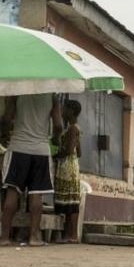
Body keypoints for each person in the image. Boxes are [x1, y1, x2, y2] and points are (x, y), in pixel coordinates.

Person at [0, 94, 63, 246]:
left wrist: (4, 133)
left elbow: (6, 120)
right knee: (36, 194)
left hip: (18, 148)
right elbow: (58, 125)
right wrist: (55, 138)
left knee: (12, 192)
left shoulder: (18, 92)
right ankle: (34, 237)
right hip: (40, 150)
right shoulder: (52, 96)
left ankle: (4, 237)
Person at [54, 100, 82, 243]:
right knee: (71, 201)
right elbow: (79, 152)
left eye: (64, 109)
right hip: (72, 166)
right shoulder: (75, 128)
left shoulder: (72, 129)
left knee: (70, 202)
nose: (62, 112)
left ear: (71, 111)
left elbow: (70, 150)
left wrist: (56, 155)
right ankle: (71, 235)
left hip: (67, 168)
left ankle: (71, 235)